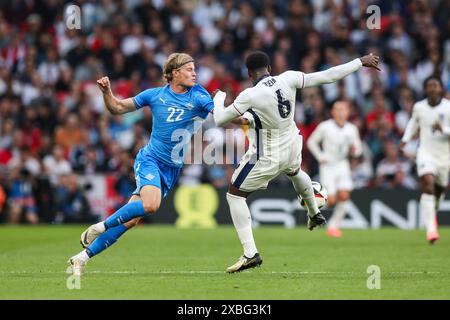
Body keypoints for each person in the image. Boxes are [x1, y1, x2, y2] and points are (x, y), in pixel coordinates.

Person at [213, 51, 380, 273]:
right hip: (292, 146)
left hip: (268, 155)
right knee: (295, 172)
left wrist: (217, 99)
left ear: (249, 73)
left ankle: (250, 253)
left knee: (235, 194)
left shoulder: (250, 94)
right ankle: (313, 212)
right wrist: (360, 62)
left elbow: (219, 119)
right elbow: (328, 76)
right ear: (269, 68)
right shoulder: (289, 78)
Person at [68, 53, 214, 275]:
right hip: (150, 160)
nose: (195, 73)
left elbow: (222, 116)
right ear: (175, 73)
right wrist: (107, 92)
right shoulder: (154, 95)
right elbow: (116, 108)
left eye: (195, 69)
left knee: (131, 221)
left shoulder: (200, 96)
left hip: (172, 169)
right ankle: (100, 226)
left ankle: (81, 258)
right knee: (151, 205)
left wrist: (242, 115)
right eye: (189, 69)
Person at [400, 76, 450, 244]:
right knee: (427, 184)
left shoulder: (448, 108)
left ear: (441, 89)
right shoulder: (419, 107)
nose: (432, 88)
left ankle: (431, 215)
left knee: (439, 190)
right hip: (425, 152)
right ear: (425, 89)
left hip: (444, 156)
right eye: (429, 85)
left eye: (435, 85)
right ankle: (431, 229)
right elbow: (413, 123)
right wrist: (406, 138)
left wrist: (444, 130)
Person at [307, 100, 363, 238]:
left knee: (344, 195)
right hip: (328, 166)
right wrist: (320, 156)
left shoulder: (352, 129)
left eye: (343, 109)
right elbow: (311, 142)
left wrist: (355, 152)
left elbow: (358, 149)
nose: (340, 112)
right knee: (330, 201)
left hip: (342, 165)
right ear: (332, 112)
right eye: (337, 109)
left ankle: (333, 226)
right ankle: (313, 212)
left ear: (348, 112)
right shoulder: (325, 127)